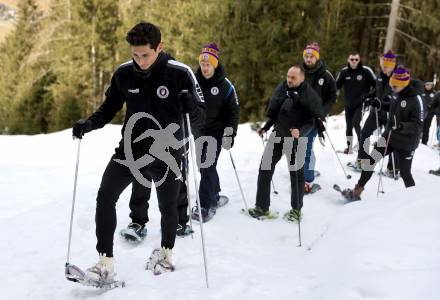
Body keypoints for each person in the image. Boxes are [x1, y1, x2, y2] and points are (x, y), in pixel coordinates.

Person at [71, 22, 205, 283]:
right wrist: (89, 123)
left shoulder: (180, 73)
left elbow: (201, 119)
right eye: (135, 55)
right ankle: (105, 262)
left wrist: (192, 108)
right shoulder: (124, 74)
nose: (140, 61)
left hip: (167, 153)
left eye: (145, 55)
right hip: (130, 152)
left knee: (168, 207)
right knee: (105, 196)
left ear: (160, 48)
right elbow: (108, 109)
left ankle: (166, 253)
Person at [248, 65, 324, 222]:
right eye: (288, 76)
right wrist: (266, 127)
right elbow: (276, 112)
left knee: (296, 175)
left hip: (295, 140)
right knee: (264, 169)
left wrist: (300, 132)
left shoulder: (309, 95)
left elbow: (312, 121)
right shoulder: (282, 89)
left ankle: (296, 210)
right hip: (277, 135)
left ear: (302, 78)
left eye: (293, 77)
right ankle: (261, 207)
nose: (289, 80)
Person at [345, 66, 424, 200]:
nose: (392, 88)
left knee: (405, 173)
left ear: (404, 84)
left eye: (395, 86)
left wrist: (400, 126)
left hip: (407, 143)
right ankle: (357, 190)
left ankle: (414, 201)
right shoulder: (397, 93)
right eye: (391, 85)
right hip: (389, 137)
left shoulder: (416, 100)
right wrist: (380, 104)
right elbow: (392, 107)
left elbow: (417, 126)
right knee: (370, 161)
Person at [190, 42, 240, 223]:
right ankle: (216, 194)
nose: (205, 68)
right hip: (198, 131)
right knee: (204, 167)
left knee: (207, 165)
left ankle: (205, 205)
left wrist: (229, 134)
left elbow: (233, 112)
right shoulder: (193, 81)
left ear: (215, 64)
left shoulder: (226, 86)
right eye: (202, 64)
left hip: (216, 133)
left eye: (208, 64)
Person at [350, 50, 398, 176]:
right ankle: (362, 160)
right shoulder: (380, 75)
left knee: (392, 139)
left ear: (393, 64)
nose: (384, 66)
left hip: (391, 113)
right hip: (376, 112)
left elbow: (398, 95)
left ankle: (393, 169)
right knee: (365, 132)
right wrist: (368, 96)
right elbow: (377, 89)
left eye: (387, 64)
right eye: (382, 63)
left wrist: (385, 102)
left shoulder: (398, 76)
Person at [302, 42, 337, 193]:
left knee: (306, 147)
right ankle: (304, 169)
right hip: (298, 116)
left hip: (315, 118)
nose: (308, 59)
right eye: (306, 56)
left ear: (317, 58)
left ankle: (307, 180)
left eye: (311, 57)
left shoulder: (326, 75)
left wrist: (322, 113)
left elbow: (332, 97)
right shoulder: (299, 72)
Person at [336, 52, 376, 154]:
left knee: (356, 123)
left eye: (356, 59)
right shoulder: (344, 72)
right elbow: (336, 86)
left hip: (361, 104)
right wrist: (334, 95)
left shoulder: (366, 71)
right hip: (348, 104)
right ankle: (349, 148)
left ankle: (361, 146)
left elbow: (376, 85)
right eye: (352, 59)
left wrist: (370, 97)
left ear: (359, 60)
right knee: (349, 126)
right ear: (348, 60)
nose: (354, 61)